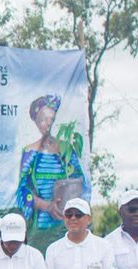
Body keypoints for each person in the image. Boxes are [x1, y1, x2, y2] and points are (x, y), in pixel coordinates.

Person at [16, 95, 89, 230]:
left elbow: (81, 182)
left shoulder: (67, 149)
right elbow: (22, 190)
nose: (49, 123)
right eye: (43, 119)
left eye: (52, 119)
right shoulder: (30, 152)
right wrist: (47, 205)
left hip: (68, 225)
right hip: (39, 230)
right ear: (35, 121)